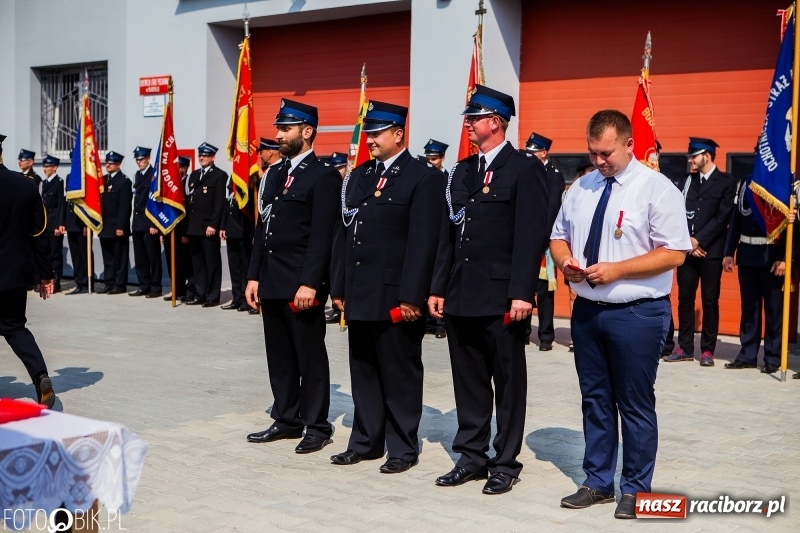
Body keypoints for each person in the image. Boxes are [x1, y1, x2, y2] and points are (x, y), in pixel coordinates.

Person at [551, 110, 690, 519]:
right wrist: (565, 263)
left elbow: (675, 252)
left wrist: (617, 269)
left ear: (629, 144)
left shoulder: (656, 189)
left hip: (638, 313)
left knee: (634, 403)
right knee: (595, 400)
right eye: (593, 153)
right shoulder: (582, 187)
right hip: (588, 312)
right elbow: (558, 236)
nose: (599, 162)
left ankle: (635, 489)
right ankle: (597, 482)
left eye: (606, 153)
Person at [428, 85, 549, 495]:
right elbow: (449, 236)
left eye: (474, 117)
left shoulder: (524, 169)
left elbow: (530, 237)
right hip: (461, 293)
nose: (468, 123)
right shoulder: (462, 171)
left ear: (495, 122)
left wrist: (521, 292)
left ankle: (505, 461)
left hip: (501, 295)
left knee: (508, 381)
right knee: (469, 379)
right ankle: (472, 456)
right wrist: (438, 287)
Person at [330, 100, 443, 473]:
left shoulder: (422, 177)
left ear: (398, 134)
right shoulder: (359, 176)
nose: (370, 139)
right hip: (361, 291)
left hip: (396, 295)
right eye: (368, 132)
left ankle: (401, 448)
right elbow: (345, 235)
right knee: (363, 370)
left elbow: (423, 241)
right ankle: (365, 441)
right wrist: (339, 285)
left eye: (376, 133)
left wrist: (413, 295)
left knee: (399, 373)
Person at [244, 99, 341, 453]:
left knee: (309, 356)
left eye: (285, 129)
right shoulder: (274, 175)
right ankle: (287, 418)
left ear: (307, 131)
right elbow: (263, 230)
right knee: (280, 356)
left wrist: (312, 283)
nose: (279, 135)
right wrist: (254, 276)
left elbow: (322, 236)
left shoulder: (324, 176)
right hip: (271, 282)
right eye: (279, 128)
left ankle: (317, 425)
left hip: (301, 285)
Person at [662, 138, 736, 367]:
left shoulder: (726, 182)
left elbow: (722, 217)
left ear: (708, 155)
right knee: (685, 299)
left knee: (709, 300)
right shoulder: (686, 181)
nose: (690, 160)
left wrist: (698, 240)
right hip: (687, 251)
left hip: (710, 252)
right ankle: (684, 347)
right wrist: (688, 243)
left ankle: (707, 350)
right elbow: (678, 214)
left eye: (694, 156)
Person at [0, 134, 57, 407]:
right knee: (15, 329)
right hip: (14, 275)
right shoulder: (25, 186)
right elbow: (41, 234)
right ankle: (41, 377)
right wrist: (46, 275)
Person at [722, 177, 788, 374]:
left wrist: (784, 257)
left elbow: (787, 226)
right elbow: (735, 220)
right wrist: (728, 251)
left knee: (774, 310)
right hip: (748, 255)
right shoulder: (745, 184)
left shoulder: (781, 181)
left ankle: (772, 358)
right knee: (750, 308)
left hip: (771, 256)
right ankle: (748, 355)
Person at [523, 131, 565, 350]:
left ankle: (546, 336)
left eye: (533, 152)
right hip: (525, 240)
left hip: (544, 243)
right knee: (524, 288)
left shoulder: (553, 175)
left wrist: (543, 240)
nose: (529, 155)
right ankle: (523, 332)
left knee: (545, 292)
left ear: (544, 152)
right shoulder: (526, 171)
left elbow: (552, 211)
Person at [185, 142, 227, 307]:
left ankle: (213, 296)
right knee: (198, 263)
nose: (201, 157)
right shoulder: (194, 175)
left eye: (205, 155)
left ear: (213, 157)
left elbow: (219, 204)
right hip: (194, 227)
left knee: (212, 263)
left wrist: (214, 225)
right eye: (200, 155)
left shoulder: (219, 175)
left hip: (208, 228)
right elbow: (190, 202)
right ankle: (200, 293)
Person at [565, 157, 596, 351]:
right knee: (573, 294)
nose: (593, 172)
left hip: (596, 254)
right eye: (589, 169)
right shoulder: (574, 192)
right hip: (575, 253)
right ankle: (576, 335)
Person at [129, 146, 163, 298]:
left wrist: (154, 224)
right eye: (137, 159)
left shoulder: (154, 175)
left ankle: (155, 287)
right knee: (140, 257)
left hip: (149, 224)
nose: (139, 162)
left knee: (153, 257)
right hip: (137, 223)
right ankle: (144, 285)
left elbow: (156, 201)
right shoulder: (138, 175)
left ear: (148, 158)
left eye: (142, 159)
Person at [97, 151, 132, 295]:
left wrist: (120, 226)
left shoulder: (124, 181)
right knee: (108, 257)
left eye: (111, 163)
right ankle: (109, 282)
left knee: (120, 257)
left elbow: (125, 207)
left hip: (116, 227)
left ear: (118, 165)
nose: (108, 165)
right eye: (107, 163)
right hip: (104, 226)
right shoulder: (103, 180)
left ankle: (120, 284)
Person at [220, 169, 255, 312]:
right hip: (231, 229)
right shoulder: (232, 177)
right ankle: (237, 298)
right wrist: (223, 226)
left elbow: (252, 207)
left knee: (245, 267)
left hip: (244, 229)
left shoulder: (249, 177)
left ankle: (247, 299)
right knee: (234, 267)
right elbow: (226, 204)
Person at [163, 156, 195, 302]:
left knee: (185, 263)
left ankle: (190, 290)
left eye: (179, 167)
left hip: (182, 231)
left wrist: (186, 232)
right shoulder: (169, 185)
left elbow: (189, 210)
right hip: (170, 229)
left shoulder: (188, 183)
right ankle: (177, 289)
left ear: (184, 168)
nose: (176, 170)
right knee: (172, 262)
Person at [63, 151, 95, 295]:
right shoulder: (70, 177)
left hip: (83, 223)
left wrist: (86, 224)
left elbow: (89, 202)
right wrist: (64, 222)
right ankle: (79, 282)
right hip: (71, 222)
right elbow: (68, 201)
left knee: (85, 254)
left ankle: (88, 283)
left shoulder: (86, 177)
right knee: (75, 254)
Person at [40, 155, 66, 293]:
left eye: (48, 166)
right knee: (46, 253)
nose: (45, 169)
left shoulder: (59, 182)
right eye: (44, 166)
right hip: (45, 224)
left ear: (55, 167)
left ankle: (57, 280)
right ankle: (47, 279)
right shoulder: (43, 183)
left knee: (56, 253)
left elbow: (61, 205)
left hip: (54, 222)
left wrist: (59, 224)